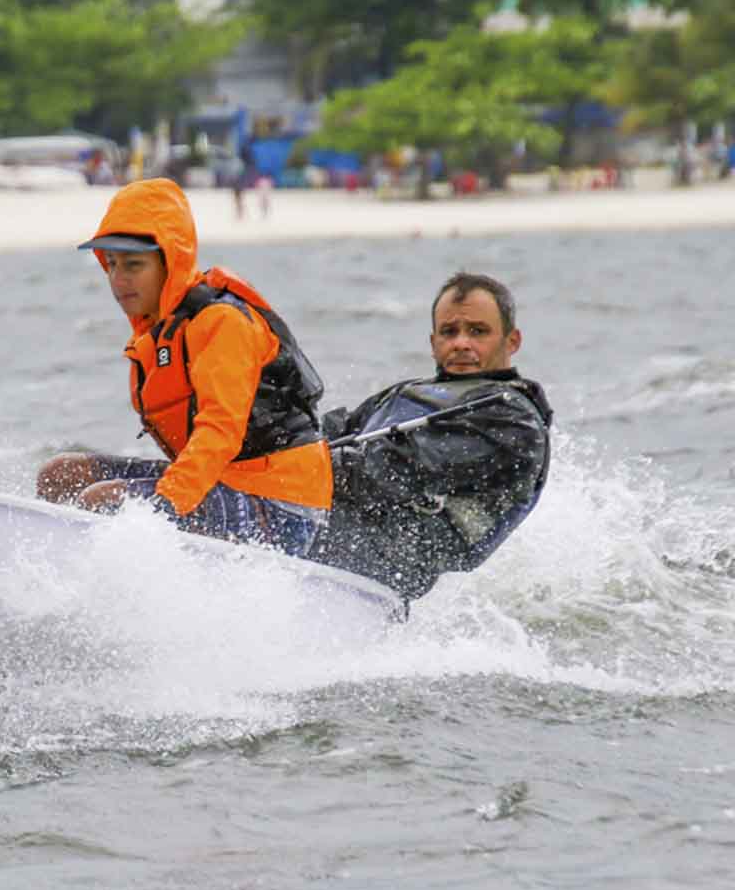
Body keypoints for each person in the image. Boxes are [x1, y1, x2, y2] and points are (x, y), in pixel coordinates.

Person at [36, 178, 332, 556]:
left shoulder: (221, 322)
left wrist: (161, 507)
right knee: (61, 474)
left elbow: (220, 430)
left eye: (133, 265)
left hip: (283, 507)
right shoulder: (156, 332)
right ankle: (53, 581)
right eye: (111, 265)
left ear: (170, 262)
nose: (118, 279)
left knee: (106, 500)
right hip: (221, 482)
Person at [307, 272, 552, 601]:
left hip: (384, 570)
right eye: (449, 332)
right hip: (329, 533)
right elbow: (325, 432)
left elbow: (395, 470)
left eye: (478, 331)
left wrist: (295, 467)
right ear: (434, 342)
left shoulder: (514, 421)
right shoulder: (407, 393)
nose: (461, 343)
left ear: (512, 341)